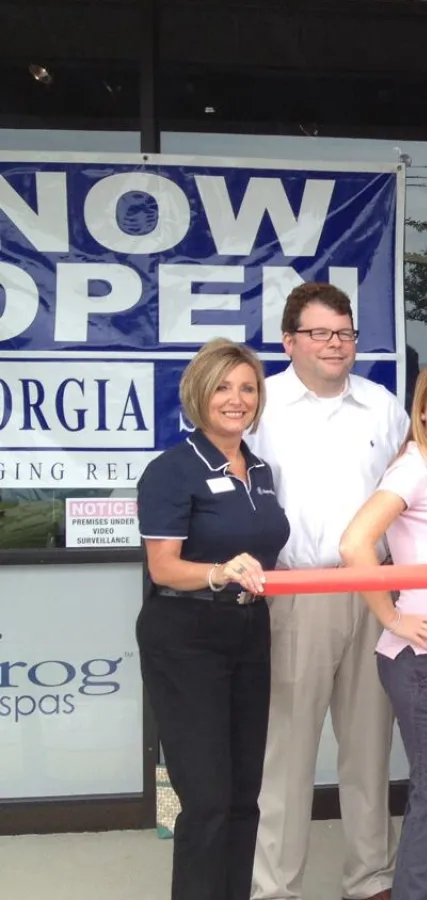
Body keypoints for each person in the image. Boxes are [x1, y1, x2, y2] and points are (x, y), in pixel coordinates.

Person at [252, 282, 410, 900]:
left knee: (369, 748)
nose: (335, 345)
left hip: (376, 591)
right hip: (297, 592)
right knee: (287, 752)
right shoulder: (259, 403)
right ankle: (275, 886)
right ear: (290, 341)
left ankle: (370, 879)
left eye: (344, 333)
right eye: (320, 333)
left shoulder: (382, 406)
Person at [136, 339, 289, 900]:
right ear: (199, 394)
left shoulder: (262, 470)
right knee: (205, 801)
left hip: (250, 631)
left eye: (247, 387)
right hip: (186, 637)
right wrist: (220, 572)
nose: (237, 399)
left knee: (244, 794)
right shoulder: (172, 470)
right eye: (224, 386)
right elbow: (163, 569)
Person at [337, 361, 427, 900]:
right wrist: (393, 618)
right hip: (424, 658)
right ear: (421, 410)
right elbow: (355, 544)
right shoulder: (412, 470)